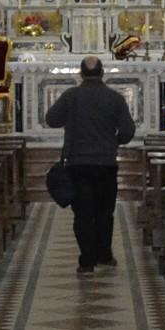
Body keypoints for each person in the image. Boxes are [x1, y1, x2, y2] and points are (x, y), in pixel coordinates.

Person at [45, 56, 135, 274]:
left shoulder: (71, 96)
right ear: (102, 73)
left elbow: (51, 119)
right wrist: (114, 141)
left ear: (81, 73)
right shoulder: (114, 98)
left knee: (83, 213)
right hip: (106, 163)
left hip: (78, 163)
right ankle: (104, 254)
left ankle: (87, 261)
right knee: (105, 211)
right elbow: (128, 131)